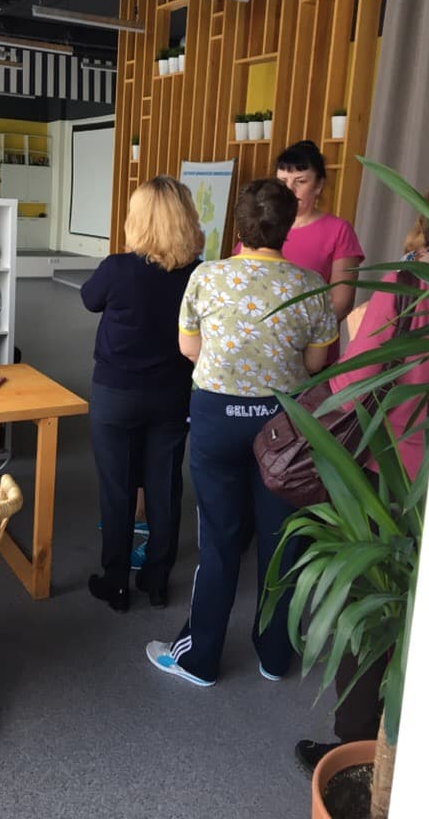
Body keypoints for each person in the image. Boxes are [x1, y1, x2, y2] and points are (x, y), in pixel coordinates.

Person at [294, 164, 429, 774]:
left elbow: (356, 379)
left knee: (373, 603)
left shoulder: (409, 282)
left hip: (393, 472)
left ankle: (357, 749)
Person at [146, 178, 337, 686]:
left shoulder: (206, 276)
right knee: (282, 540)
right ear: (288, 227)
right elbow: (317, 362)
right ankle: (275, 655)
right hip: (283, 426)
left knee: (219, 539)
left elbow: (189, 349)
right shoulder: (311, 284)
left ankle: (200, 658)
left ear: (239, 226)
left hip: (216, 419)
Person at [82, 175, 204, 612]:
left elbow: (89, 299)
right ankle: (156, 581)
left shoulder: (117, 268)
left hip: (115, 392)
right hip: (171, 393)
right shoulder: (197, 273)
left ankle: (116, 583)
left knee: (117, 487)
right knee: (164, 486)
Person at [234, 140, 364, 364]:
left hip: (312, 353)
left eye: (300, 181)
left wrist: (295, 337)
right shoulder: (261, 224)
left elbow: (341, 302)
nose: (290, 190)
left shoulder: (338, 230)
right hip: (257, 349)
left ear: (318, 186)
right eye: (283, 182)